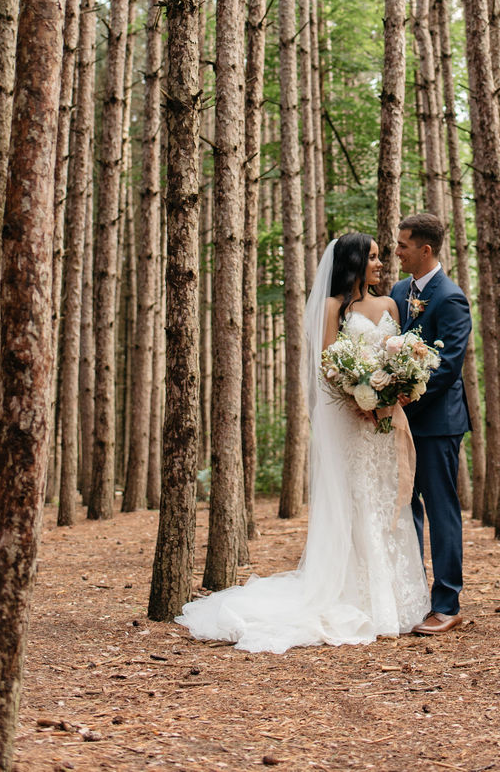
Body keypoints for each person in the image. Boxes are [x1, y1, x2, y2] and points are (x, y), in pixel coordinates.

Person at [176, 232, 429, 652]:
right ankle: (361, 599)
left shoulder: (388, 305)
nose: (380, 263)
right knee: (359, 502)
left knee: (387, 503)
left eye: (381, 256)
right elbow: (330, 367)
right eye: (372, 257)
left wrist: (396, 388)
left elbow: (397, 354)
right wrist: (361, 397)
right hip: (353, 422)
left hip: (384, 425)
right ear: (352, 263)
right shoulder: (333, 308)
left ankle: (397, 602)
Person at [391, 212, 472, 636]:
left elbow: (448, 366)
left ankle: (447, 603)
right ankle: (414, 596)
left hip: (437, 423)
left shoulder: (451, 297)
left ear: (425, 249)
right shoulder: (399, 290)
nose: (397, 251)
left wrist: (405, 398)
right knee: (406, 510)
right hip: (399, 422)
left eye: (403, 245)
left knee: (441, 511)